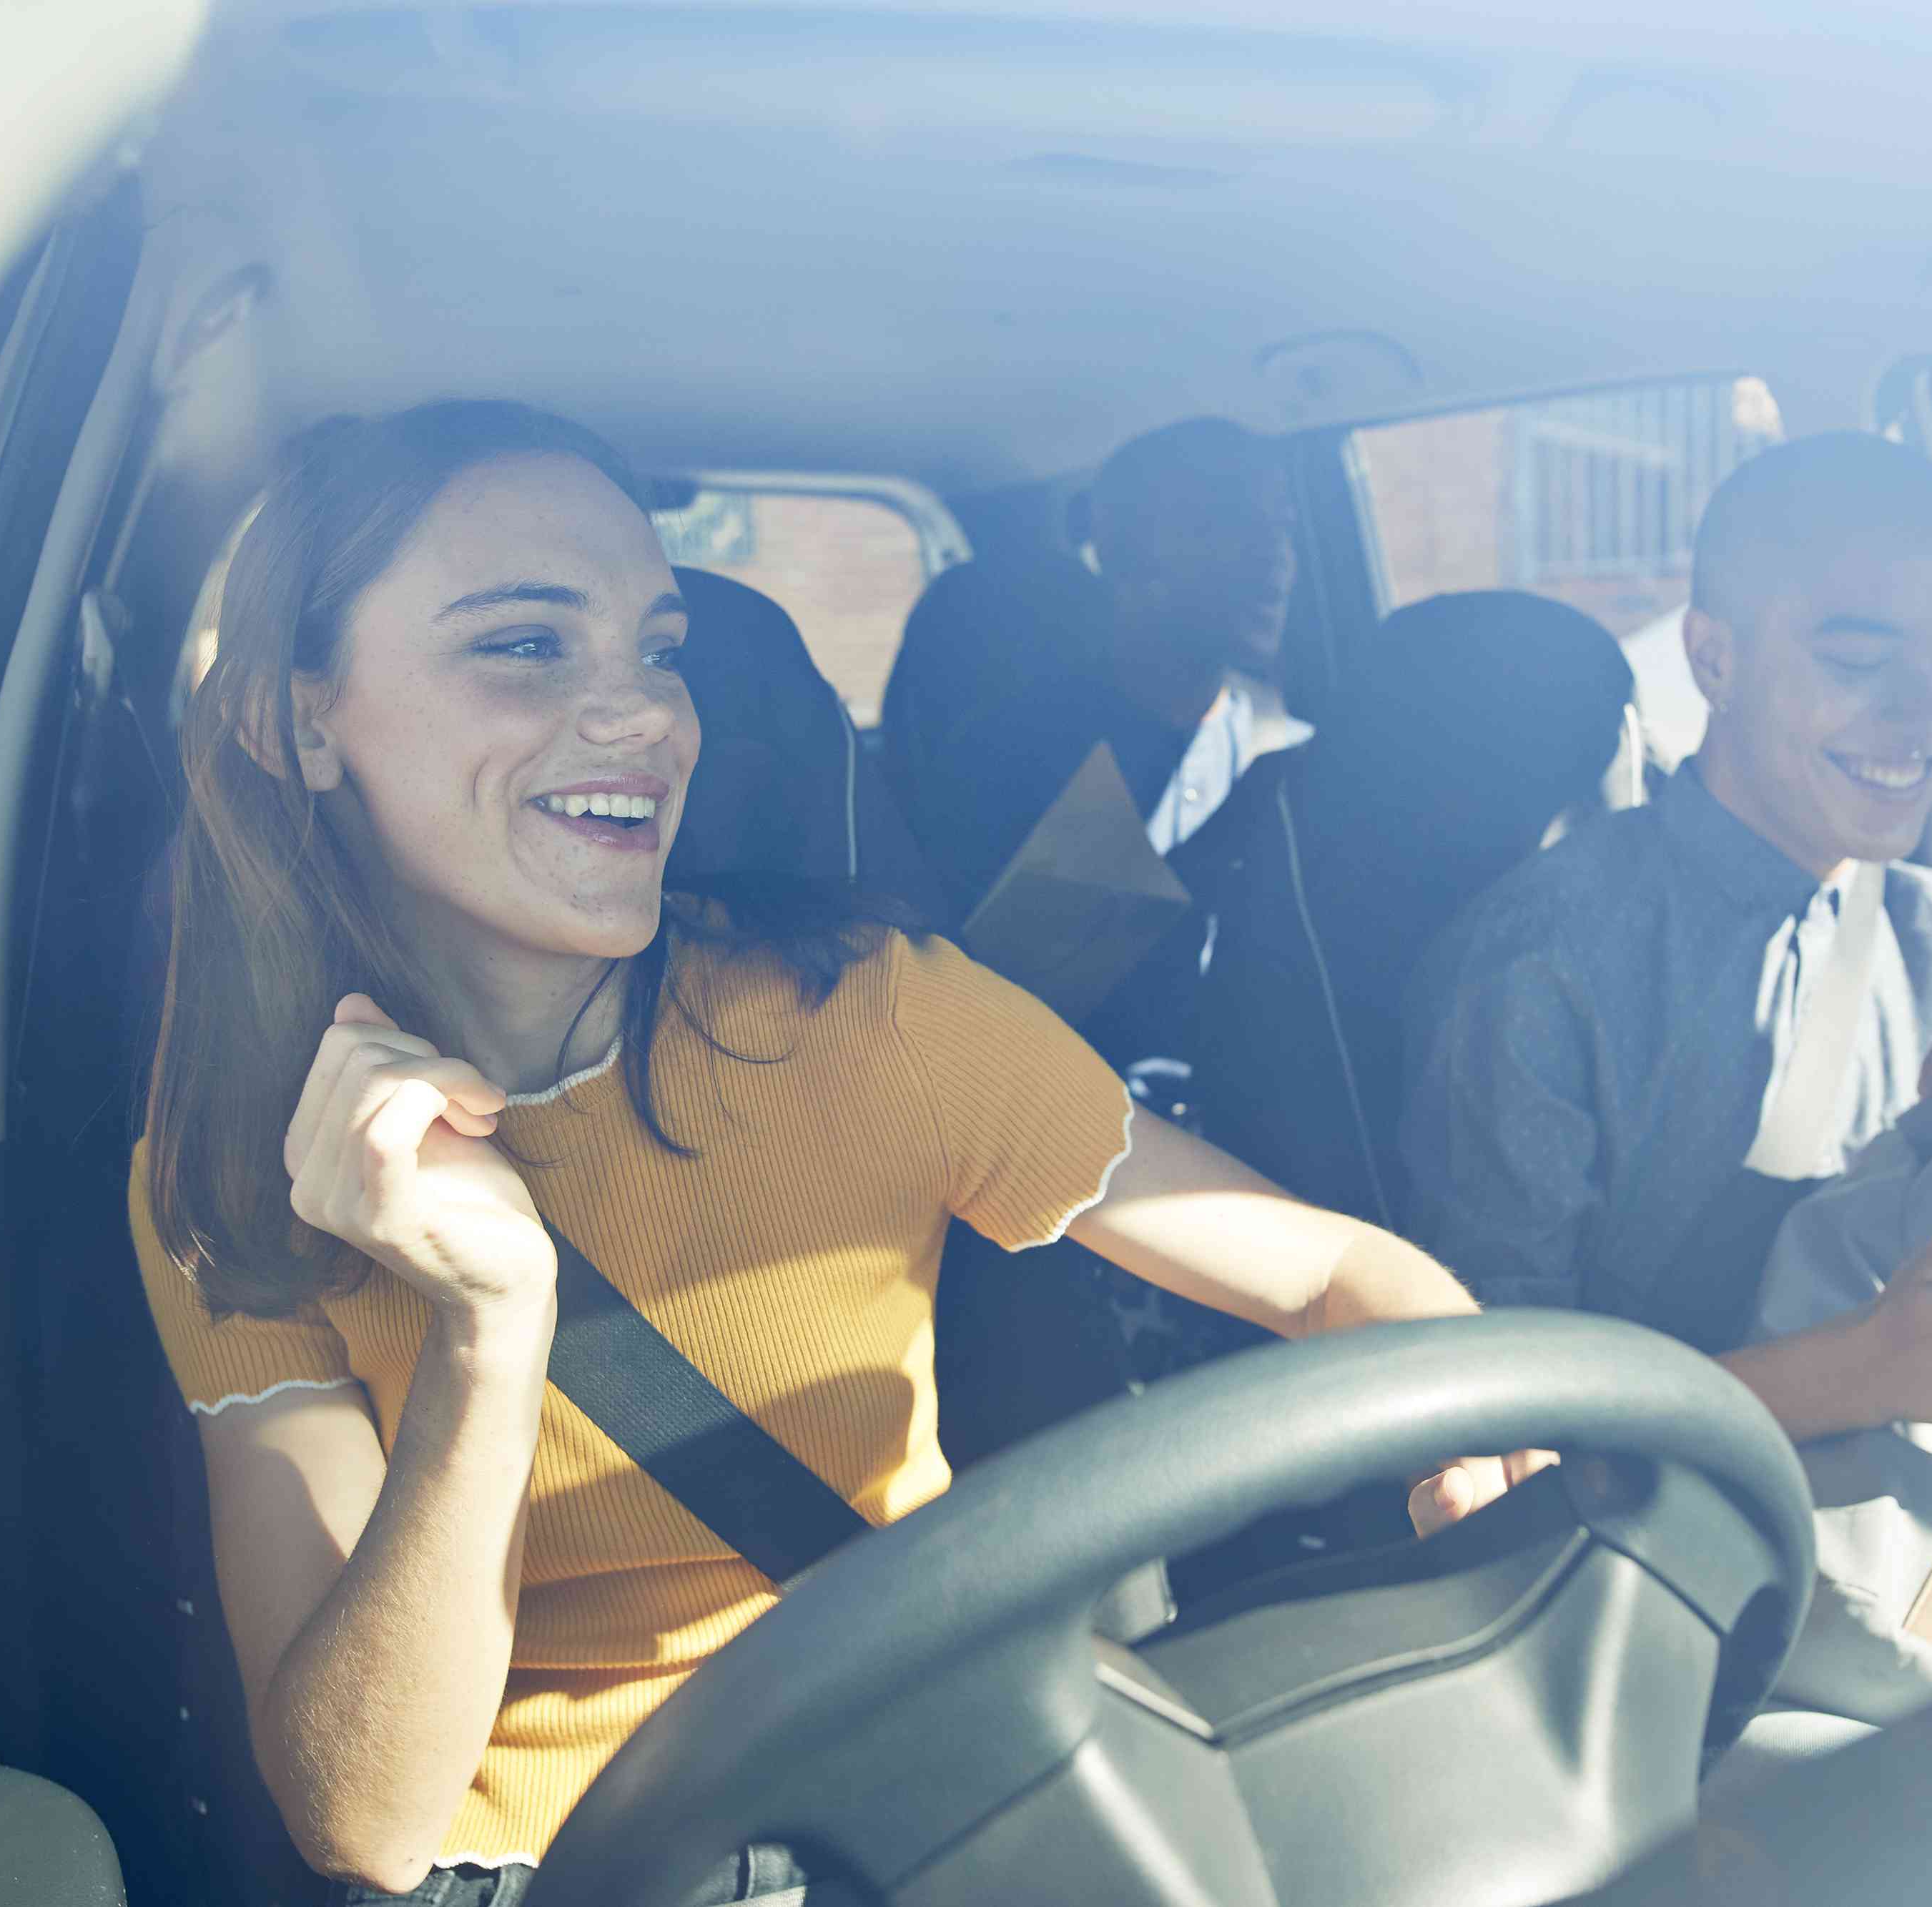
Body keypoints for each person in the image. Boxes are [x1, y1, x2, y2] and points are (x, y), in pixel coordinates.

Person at [132, 400, 1522, 1906]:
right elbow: (370, 1817)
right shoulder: (235, 1170)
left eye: (657, 651)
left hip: (927, 1803)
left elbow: (1321, 1266)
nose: (646, 718)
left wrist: (1472, 1414)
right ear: (298, 719)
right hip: (563, 1869)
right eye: (526, 645)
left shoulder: (866, 1011)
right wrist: (489, 1325)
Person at [1404, 430, 1932, 1477]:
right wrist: (1868, 1369)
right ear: (1714, 658)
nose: (1924, 714)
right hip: (1679, 1561)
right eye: (1860, 662)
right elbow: (1497, 1431)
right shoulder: (1542, 965)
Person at [908, 415, 1308, 916]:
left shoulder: (1282, 742)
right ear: (1124, 553)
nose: (1274, 553)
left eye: (1283, 526)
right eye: (1227, 522)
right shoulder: (1006, 760)